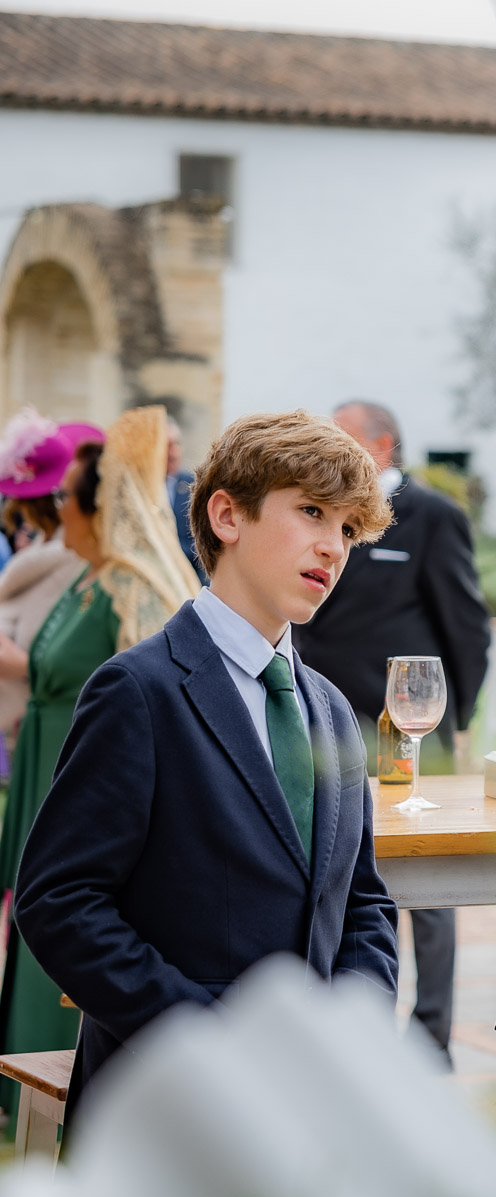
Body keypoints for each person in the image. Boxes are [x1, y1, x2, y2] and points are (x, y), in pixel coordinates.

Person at [14, 409, 398, 1130]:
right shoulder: (138, 690)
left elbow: (363, 904)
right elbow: (59, 901)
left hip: (306, 1109)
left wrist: (353, 1031)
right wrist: (212, 1039)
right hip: (166, 1105)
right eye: (311, 511)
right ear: (227, 514)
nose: (332, 546)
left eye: (347, 528)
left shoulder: (334, 709)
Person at [0, 405, 201, 1126]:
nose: (56, 510)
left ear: (96, 506)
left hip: (85, 770)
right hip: (42, 762)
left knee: (64, 912)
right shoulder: (84, 579)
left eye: (65, 498)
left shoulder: (133, 587)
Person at [292, 400, 488, 1060]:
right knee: (331, 867)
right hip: (322, 723)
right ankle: (348, 1035)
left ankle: (432, 1038)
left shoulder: (435, 517)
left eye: (340, 439)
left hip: (406, 726)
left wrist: (452, 716)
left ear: (383, 446)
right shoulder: (317, 520)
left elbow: (465, 625)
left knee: (427, 874)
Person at [0, 413, 98, 755]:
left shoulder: (70, 560)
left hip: (57, 726)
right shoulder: (46, 556)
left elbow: (76, 658)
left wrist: (21, 664)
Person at [166, 420, 203, 580]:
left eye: (176, 444)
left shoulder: (194, 485)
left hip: (189, 577)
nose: (172, 451)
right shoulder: (141, 488)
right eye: (167, 445)